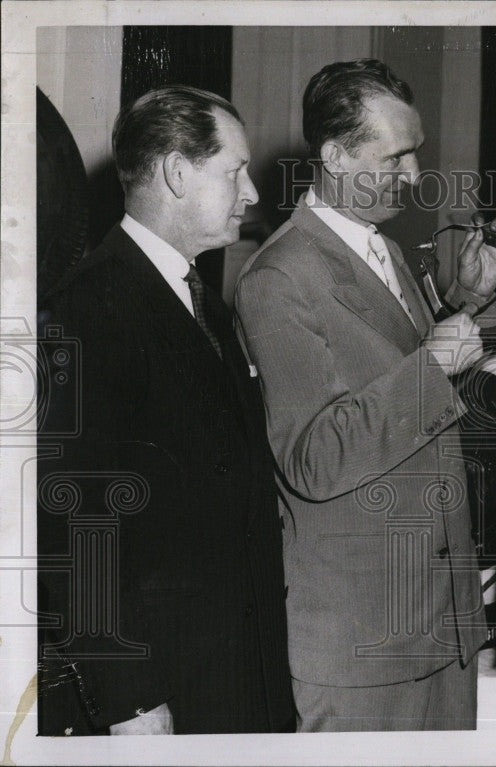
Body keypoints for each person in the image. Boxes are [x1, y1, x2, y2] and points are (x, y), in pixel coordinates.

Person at [234, 59, 496, 731]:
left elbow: (386, 373)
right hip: (363, 646)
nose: (415, 177)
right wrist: (431, 365)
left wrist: (464, 303)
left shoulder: (383, 248)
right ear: (334, 155)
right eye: (395, 159)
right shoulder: (278, 276)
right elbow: (314, 457)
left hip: (439, 628)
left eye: (415, 153)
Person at [37, 85, 294, 735]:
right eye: (235, 171)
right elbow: (77, 525)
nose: (253, 194)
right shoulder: (90, 306)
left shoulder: (203, 300)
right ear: (178, 173)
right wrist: (130, 702)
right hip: (167, 696)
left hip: (240, 680)